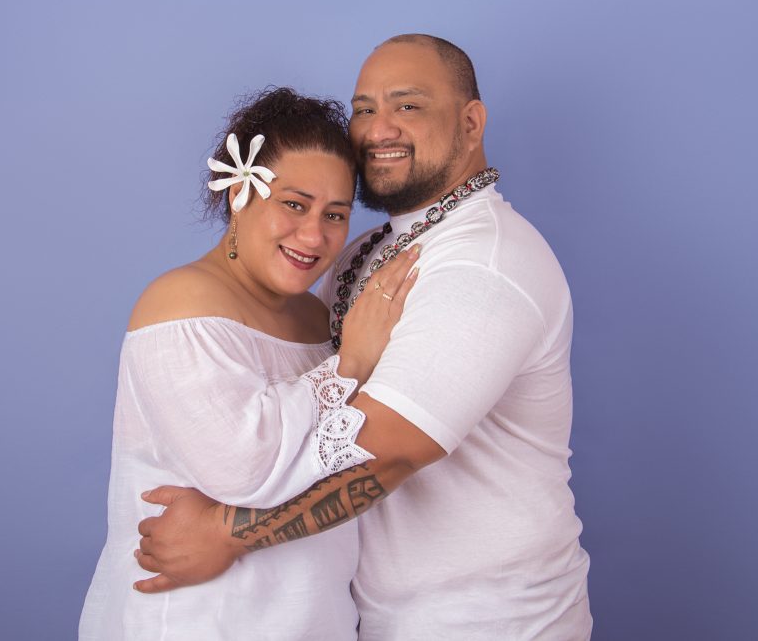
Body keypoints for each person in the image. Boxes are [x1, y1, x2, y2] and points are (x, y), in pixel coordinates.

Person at [134, 36, 593, 640]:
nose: (378, 129)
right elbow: (303, 415)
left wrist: (225, 531)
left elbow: (389, 449)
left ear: (471, 122)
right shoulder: (367, 254)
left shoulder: (485, 262)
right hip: (378, 617)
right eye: (364, 108)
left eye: (407, 106)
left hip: (490, 620)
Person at [78, 87, 420, 640]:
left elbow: (352, 453)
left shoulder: (318, 320)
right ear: (240, 191)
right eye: (294, 203)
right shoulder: (179, 303)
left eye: (335, 214)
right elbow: (244, 470)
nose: (314, 235)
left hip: (309, 617)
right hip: (201, 619)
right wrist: (351, 363)